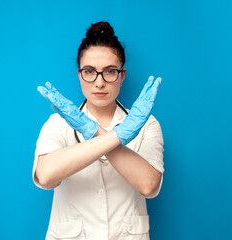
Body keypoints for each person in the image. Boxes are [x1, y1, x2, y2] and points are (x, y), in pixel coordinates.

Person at [32, 21, 164, 240]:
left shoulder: (146, 124)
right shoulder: (58, 123)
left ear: (122, 76)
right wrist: (108, 134)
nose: (99, 82)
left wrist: (97, 133)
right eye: (89, 71)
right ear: (79, 74)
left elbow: (148, 185)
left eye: (110, 72)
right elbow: (45, 176)